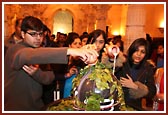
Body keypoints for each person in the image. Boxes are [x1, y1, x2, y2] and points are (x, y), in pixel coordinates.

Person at [4, 16, 98, 111]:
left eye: (40, 34)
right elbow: (27, 55)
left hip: (37, 106)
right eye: (33, 34)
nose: (38, 38)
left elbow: (49, 78)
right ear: (23, 34)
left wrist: (37, 74)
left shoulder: (42, 52)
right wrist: (71, 51)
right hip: (16, 107)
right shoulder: (15, 49)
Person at [115, 38, 156, 110]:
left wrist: (135, 86)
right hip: (117, 105)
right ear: (132, 50)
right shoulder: (121, 63)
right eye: (136, 50)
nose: (139, 54)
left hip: (135, 107)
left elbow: (152, 92)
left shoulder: (147, 68)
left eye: (142, 52)